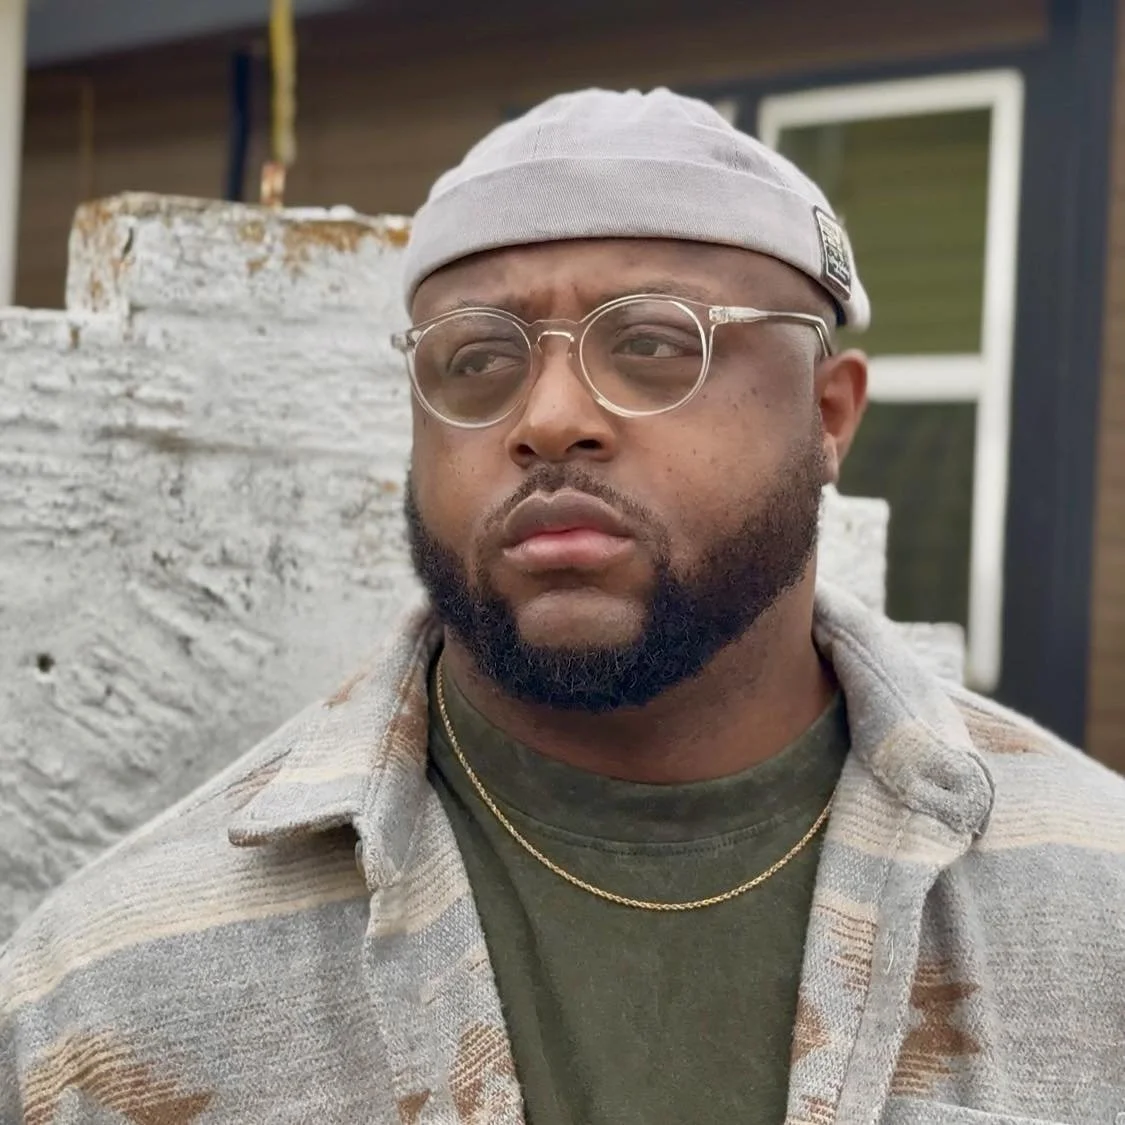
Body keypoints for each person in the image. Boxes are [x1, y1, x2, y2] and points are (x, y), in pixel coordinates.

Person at [2, 87, 1123, 1125]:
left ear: (828, 413)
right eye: (478, 358)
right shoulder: (114, 995)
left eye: (650, 343)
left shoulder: (1093, 917)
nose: (547, 416)